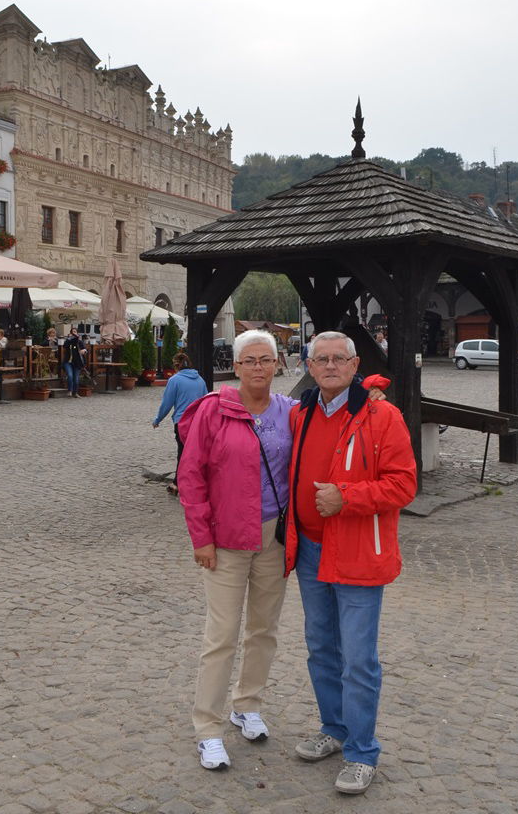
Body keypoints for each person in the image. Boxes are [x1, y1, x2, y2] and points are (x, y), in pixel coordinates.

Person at [285, 331, 417, 795]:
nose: (329, 366)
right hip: (310, 551)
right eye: (320, 359)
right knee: (321, 648)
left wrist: (347, 497)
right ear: (308, 365)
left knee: (358, 659)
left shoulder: (382, 415)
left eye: (339, 358)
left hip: (358, 551)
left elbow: (404, 484)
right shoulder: (300, 412)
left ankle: (362, 752)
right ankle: (334, 727)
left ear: (355, 364)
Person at [177, 330, 295, 771]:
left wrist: (371, 395)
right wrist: (201, 538)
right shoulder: (214, 410)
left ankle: (247, 704)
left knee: (264, 629)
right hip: (225, 539)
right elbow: (190, 476)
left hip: (274, 537)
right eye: (250, 360)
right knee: (222, 636)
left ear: (277, 364)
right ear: (237, 366)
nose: (258, 367)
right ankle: (207, 727)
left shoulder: (290, 411)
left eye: (266, 359)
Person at [153, 352, 208, 496]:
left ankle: (177, 484)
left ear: (176, 365)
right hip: (197, 422)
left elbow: (167, 403)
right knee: (194, 453)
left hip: (182, 422)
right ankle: (186, 483)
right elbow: (206, 402)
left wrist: (158, 419)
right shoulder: (200, 380)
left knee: (182, 453)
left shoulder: (175, 380)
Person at [62, 327, 87, 398]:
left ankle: (75, 393)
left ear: (77, 333)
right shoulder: (68, 341)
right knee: (70, 376)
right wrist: (68, 338)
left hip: (76, 363)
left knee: (76, 379)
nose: (74, 333)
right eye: (72, 332)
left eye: (75, 332)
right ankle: (69, 391)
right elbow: (64, 346)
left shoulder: (79, 342)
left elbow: (85, 349)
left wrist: (84, 350)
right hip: (68, 362)